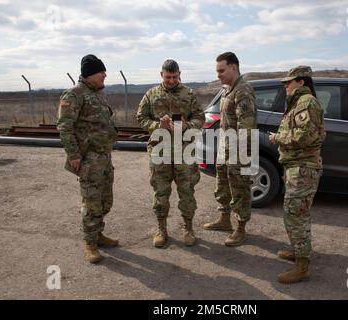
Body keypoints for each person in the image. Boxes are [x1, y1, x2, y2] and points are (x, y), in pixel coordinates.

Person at [57, 54, 119, 264]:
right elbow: (65, 128)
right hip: (88, 159)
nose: (104, 75)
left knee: (105, 200)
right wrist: (73, 155)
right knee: (91, 202)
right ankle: (90, 243)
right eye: (101, 71)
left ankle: (99, 234)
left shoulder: (98, 94)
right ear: (90, 73)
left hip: (104, 157)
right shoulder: (74, 94)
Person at [137, 59, 204, 248]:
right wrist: (157, 125)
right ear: (161, 75)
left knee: (187, 192)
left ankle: (188, 228)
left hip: (184, 152)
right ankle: (161, 229)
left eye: (175, 77)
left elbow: (200, 117)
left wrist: (187, 125)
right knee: (160, 193)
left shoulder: (188, 93)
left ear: (179, 74)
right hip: (160, 151)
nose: (172, 80)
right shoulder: (151, 94)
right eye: (168, 77)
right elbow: (141, 117)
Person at [268, 66, 326, 283]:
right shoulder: (298, 103)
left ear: (302, 82)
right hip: (296, 167)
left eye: (289, 82)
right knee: (295, 213)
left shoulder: (306, 103)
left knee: (296, 215)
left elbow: (306, 136)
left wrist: (278, 138)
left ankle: (302, 266)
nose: (285, 85)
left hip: (303, 168)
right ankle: (298, 251)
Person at [203, 52, 256, 247]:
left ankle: (241, 228)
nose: (218, 75)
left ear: (233, 67)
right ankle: (225, 220)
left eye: (221, 70)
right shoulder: (228, 89)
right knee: (223, 185)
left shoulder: (243, 91)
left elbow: (246, 127)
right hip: (226, 147)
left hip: (240, 150)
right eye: (217, 71)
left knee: (240, 188)